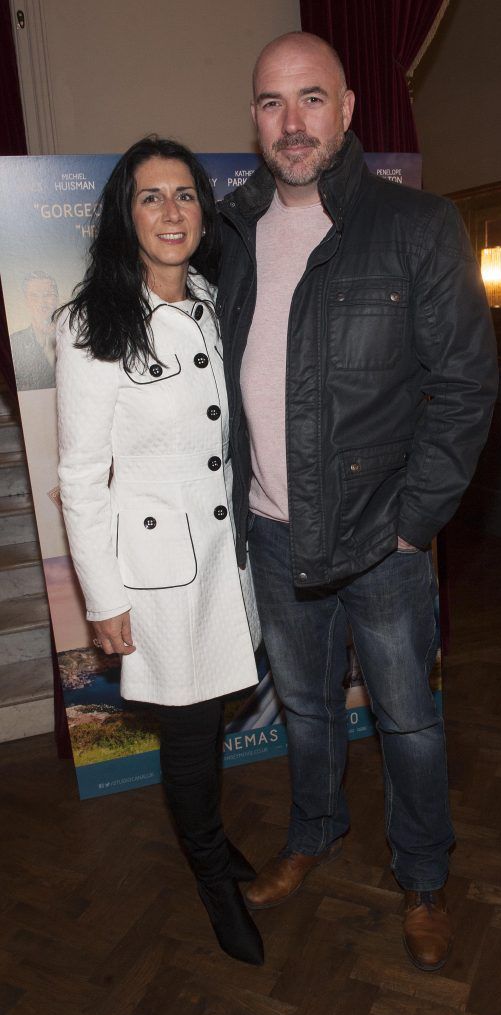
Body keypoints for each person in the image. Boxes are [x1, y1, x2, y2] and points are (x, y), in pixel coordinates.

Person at [217, 32, 498, 972]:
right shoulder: (232, 233)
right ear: (254, 120)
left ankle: (423, 878)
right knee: (303, 709)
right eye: (270, 103)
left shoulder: (418, 226)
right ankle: (313, 835)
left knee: (408, 720)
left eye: (310, 99)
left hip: (383, 542)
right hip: (271, 531)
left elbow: (464, 389)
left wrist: (413, 523)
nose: (290, 122)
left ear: (346, 111)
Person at [55, 136, 264, 966]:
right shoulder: (91, 321)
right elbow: (79, 475)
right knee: (186, 735)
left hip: (228, 558)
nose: (171, 211)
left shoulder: (212, 297)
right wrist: (103, 599)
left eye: (185, 195)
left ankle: (213, 847)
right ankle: (213, 876)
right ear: (124, 213)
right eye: (151, 196)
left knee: (213, 718)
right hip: (158, 575)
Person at [10, 271, 58, 389]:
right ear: (26, 301)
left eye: (48, 295)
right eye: (34, 296)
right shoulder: (14, 343)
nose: (42, 303)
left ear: (57, 298)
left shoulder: (74, 337)